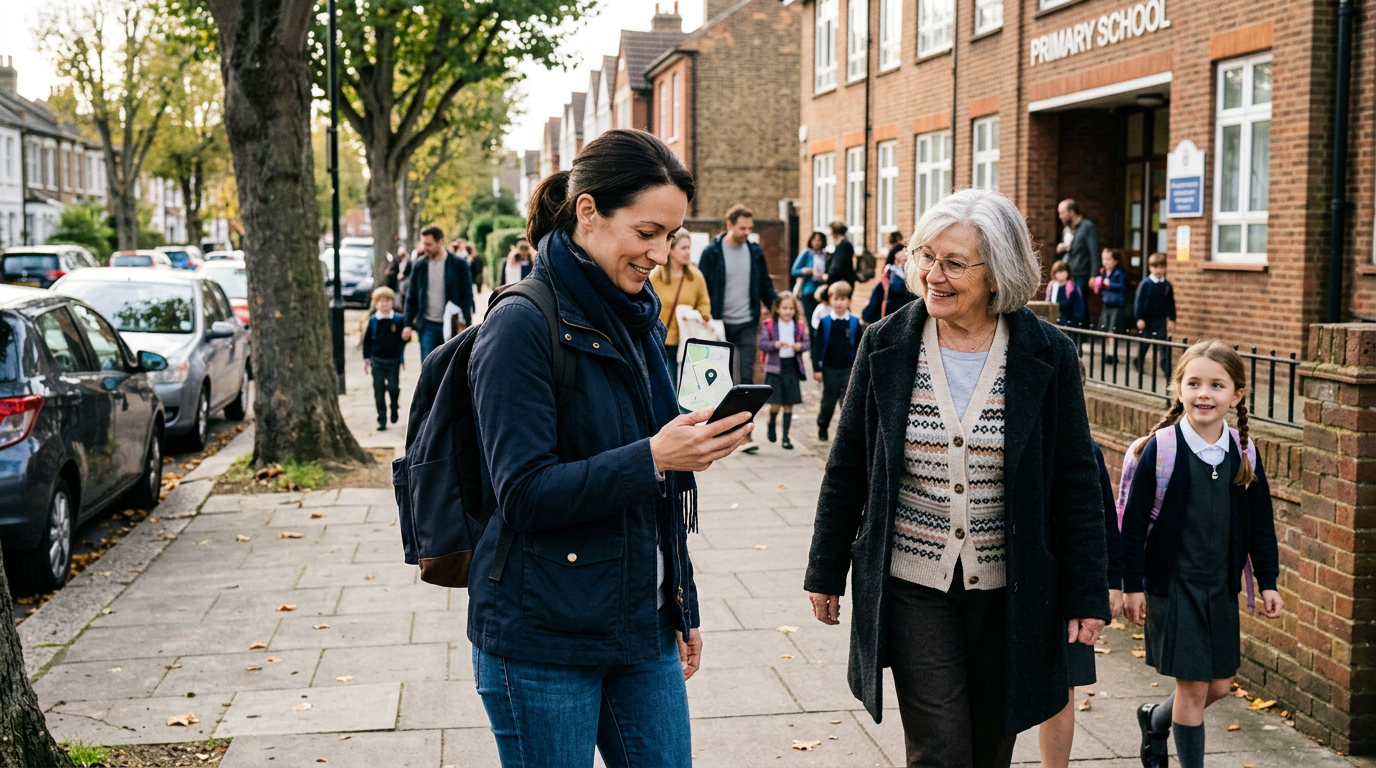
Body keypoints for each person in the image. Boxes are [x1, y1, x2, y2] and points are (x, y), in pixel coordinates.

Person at [467, 128, 752, 768]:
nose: (661, 253)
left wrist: (682, 603)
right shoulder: (519, 324)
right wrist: (656, 455)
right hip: (542, 634)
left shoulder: (637, 316)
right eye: (646, 232)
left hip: (640, 622)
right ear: (589, 211)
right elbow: (524, 493)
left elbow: (654, 493)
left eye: (672, 237)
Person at [804, 188, 1110, 768]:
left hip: (1011, 586)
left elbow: (1076, 483)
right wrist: (825, 570)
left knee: (992, 749)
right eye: (925, 256)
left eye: (953, 263)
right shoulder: (885, 344)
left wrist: (1087, 594)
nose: (932, 275)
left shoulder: (1048, 354)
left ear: (997, 273)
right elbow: (848, 468)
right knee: (941, 750)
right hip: (913, 582)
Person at [1122, 341, 1283, 768]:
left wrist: (1268, 581)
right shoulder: (1163, 448)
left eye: (1216, 385)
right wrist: (1131, 586)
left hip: (1219, 588)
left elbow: (1260, 524)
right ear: (1179, 389)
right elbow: (1134, 525)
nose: (1203, 394)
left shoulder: (1243, 453)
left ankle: (1155, 719)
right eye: (1193, 383)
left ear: (1237, 395)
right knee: (1193, 689)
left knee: (1220, 685)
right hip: (1173, 587)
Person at [1038, 363, 1125, 768]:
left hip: (1066, 587)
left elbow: (1101, 518)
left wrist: (1110, 582)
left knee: (1062, 691)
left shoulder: (1085, 449)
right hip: (1012, 580)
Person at [698, 204, 779, 453]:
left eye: (750, 228)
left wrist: (777, 310)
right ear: (729, 225)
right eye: (742, 228)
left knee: (743, 378)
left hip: (746, 322)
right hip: (719, 325)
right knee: (720, 378)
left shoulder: (754, 252)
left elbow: (765, 284)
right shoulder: (712, 252)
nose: (747, 232)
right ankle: (715, 429)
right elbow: (702, 285)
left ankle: (744, 435)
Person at [404, 224, 474, 361]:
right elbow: (411, 296)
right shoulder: (419, 266)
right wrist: (407, 324)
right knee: (428, 367)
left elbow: (467, 295)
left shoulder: (458, 265)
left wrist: (466, 321)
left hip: (452, 325)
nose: (425, 248)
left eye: (429, 244)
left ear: (440, 241)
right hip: (427, 326)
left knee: (450, 367)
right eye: (423, 243)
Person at [649, 228, 713, 375]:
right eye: (683, 248)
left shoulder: (695, 277)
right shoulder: (656, 277)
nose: (688, 252)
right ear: (671, 250)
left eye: (689, 248)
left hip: (688, 341)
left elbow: (704, 303)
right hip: (662, 341)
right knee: (668, 384)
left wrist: (700, 316)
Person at [759, 291, 809, 450]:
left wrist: (798, 346)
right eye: (785, 308)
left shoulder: (798, 326)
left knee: (789, 405)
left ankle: (786, 437)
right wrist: (776, 344)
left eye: (791, 308)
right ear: (778, 309)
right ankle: (772, 422)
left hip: (791, 367)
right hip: (775, 367)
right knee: (775, 404)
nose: (788, 311)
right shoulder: (769, 325)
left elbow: (807, 343)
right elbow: (762, 344)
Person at [809, 281, 858, 442]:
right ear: (830, 300)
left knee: (847, 403)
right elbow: (817, 346)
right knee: (828, 402)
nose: (839, 302)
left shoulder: (854, 322)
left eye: (843, 299)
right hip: (829, 368)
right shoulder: (825, 322)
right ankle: (823, 427)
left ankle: (846, 434)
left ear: (849, 301)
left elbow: (859, 347)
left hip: (848, 368)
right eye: (836, 299)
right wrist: (817, 368)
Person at [362, 287, 405, 431]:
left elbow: (403, 338)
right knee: (378, 390)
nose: (384, 304)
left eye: (387, 301)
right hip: (377, 361)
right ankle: (382, 418)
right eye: (381, 302)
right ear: (376, 304)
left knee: (393, 388)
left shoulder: (398, 319)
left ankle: (394, 406)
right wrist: (367, 358)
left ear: (392, 303)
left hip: (393, 360)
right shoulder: (374, 320)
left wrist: (406, 336)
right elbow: (368, 340)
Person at [1133, 253, 1177, 375]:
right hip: (1147, 319)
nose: (1159, 270)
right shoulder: (1145, 284)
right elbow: (1139, 302)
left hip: (1160, 320)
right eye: (1155, 267)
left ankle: (1166, 368)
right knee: (1145, 344)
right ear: (1150, 268)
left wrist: (1172, 319)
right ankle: (1138, 361)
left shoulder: (1167, 285)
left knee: (1163, 345)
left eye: (1161, 267)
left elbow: (1170, 303)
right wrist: (1139, 318)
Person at [1056, 199, 1100, 302]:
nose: (1060, 216)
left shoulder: (1087, 227)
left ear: (1071, 212)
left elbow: (1094, 252)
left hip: (1082, 275)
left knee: (1080, 307)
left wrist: (1093, 275)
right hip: (1068, 274)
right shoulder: (1067, 229)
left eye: (1062, 213)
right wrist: (1061, 248)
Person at [862, 240, 915, 322]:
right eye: (903, 251)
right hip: (894, 305)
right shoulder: (890, 270)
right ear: (896, 255)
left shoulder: (907, 269)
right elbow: (895, 287)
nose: (906, 254)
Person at [1093, 248, 1129, 364]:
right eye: (1104, 259)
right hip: (1107, 304)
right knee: (1106, 330)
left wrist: (1109, 284)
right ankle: (1108, 352)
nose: (1105, 261)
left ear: (1115, 261)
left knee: (1113, 331)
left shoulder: (1119, 274)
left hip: (1116, 305)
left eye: (1109, 259)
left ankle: (1112, 353)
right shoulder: (1104, 273)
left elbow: (1123, 287)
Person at [791, 231, 829, 323]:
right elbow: (794, 271)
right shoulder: (806, 253)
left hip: (822, 291)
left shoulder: (826, 255)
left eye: (819, 240)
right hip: (808, 291)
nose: (817, 242)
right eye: (814, 240)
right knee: (811, 318)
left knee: (822, 318)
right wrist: (805, 271)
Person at [1045, 259, 1087, 328]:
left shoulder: (1073, 288)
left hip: (1069, 319)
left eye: (1062, 272)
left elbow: (1077, 305)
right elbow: (1048, 301)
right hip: (1054, 318)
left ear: (1067, 273)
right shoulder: (1052, 286)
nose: (1059, 275)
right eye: (1057, 272)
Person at [826, 220, 858, 288]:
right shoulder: (842, 244)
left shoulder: (843, 245)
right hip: (843, 279)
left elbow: (838, 264)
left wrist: (829, 275)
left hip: (842, 281)